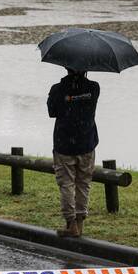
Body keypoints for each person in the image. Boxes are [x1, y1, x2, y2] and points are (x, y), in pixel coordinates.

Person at [46, 68, 99, 238]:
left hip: (64, 144)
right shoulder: (94, 88)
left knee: (67, 184)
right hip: (86, 143)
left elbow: (52, 112)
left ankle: (71, 224)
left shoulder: (57, 89)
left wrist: (63, 96)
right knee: (83, 183)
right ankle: (80, 222)